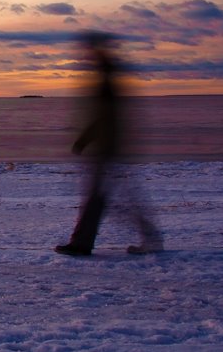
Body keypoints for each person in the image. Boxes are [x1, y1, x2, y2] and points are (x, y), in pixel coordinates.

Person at [55, 32, 163, 256]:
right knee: (106, 197)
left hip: (107, 147)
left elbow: (105, 117)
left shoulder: (106, 77)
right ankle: (85, 242)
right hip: (109, 146)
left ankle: (83, 243)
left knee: (105, 198)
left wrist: (85, 139)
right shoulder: (108, 75)